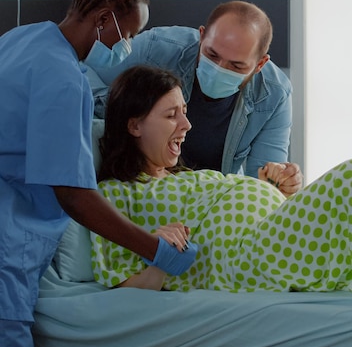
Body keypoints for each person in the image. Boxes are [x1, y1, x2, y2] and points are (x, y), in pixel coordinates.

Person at [0, 0, 197, 347]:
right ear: (106, 17)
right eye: (129, 33)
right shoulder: (63, 78)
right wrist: (152, 250)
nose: (127, 45)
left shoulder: (20, 39)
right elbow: (73, 193)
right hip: (6, 248)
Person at [89, 65, 352, 297]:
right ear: (134, 126)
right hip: (245, 259)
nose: (187, 124)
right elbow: (124, 286)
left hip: (269, 235)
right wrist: (160, 255)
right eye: (171, 116)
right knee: (347, 177)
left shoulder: (184, 178)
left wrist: (272, 191)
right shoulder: (114, 193)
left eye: (184, 111)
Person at [84, 0, 292, 179]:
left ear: (260, 64)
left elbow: (261, 186)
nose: (219, 68)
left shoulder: (275, 94)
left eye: (236, 66)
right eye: (212, 55)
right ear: (201, 37)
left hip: (208, 198)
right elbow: (84, 74)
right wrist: (115, 114)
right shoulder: (156, 50)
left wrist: (280, 181)